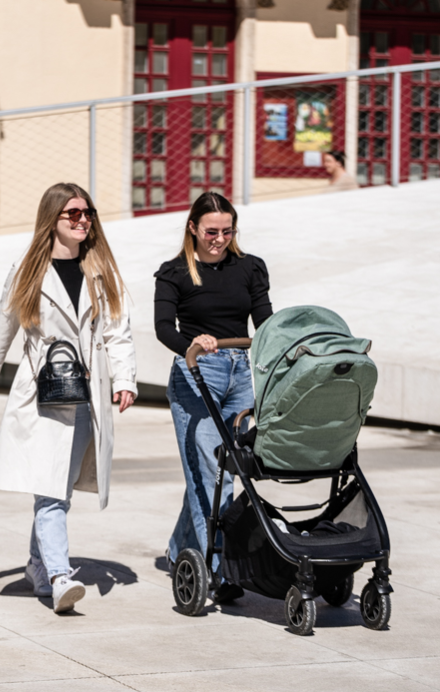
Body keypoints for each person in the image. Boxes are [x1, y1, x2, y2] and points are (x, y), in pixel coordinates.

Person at [0, 182, 137, 615]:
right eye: (73, 214)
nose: (83, 221)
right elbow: (1, 329)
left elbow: (118, 332)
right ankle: (61, 576)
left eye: (88, 213)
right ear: (53, 220)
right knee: (49, 492)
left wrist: (126, 380)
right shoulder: (28, 270)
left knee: (56, 489)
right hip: (42, 396)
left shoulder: (102, 271)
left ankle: (36, 566)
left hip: (88, 396)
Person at [154, 191, 272, 604]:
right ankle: (220, 567)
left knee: (223, 470)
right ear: (193, 228)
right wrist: (193, 342)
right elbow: (163, 328)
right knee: (209, 469)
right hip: (196, 373)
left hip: (240, 372)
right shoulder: (174, 273)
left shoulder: (250, 268)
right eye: (211, 231)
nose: (219, 239)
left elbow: (266, 322)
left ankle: (177, 549)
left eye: (227, 231)